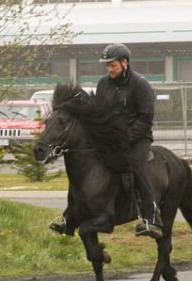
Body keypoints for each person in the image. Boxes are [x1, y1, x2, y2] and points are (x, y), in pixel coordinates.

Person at [49, 43, 163, 239]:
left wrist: (127, 137)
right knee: (82, 169)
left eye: (112, 65)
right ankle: (69, 217)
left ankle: (151, 219)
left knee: (137, 167)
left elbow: (145, 118)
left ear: (124, 63)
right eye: (107, 65)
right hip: (112, 138)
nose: (109, 69)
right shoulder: (103, 84)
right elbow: (98, 112)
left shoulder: (140, 85)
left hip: (138, 138)